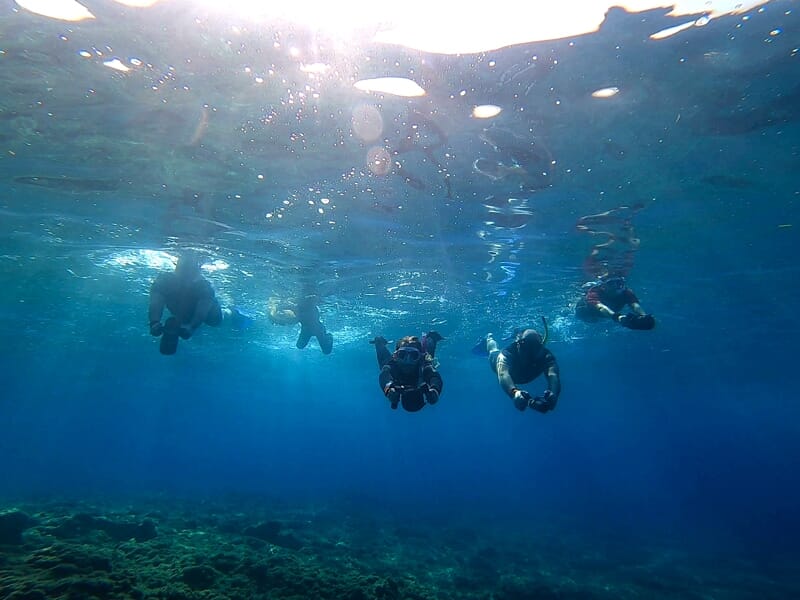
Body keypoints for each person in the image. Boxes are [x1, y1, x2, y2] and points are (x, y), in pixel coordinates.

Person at [148, 252, 222, 354]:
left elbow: (202, 310)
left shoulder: (203, 287)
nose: (186, 273)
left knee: (214, 321)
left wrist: (154, 322)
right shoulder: (165, 281)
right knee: (208, 321)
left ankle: (228, 312)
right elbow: (156, 302)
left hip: (208, 314)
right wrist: (154, 322)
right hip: (189, 312)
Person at [481, 325, 561, 413]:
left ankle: (514, 333)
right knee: (493, 351)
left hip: (519, 375)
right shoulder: (506, 355)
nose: (530, 351)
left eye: (535, 347)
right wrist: (514, 392)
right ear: (518, 345)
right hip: (499, 366)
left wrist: (553, 393)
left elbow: (553, 375)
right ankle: (489, 338)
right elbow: (503, 374)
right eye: (527, 346)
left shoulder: (546, 356)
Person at [369, 333, 444, 412]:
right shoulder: (423, 366)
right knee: (428, 357)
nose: (407, 360)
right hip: (422, 360)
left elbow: (384, 375)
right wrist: (435, 390)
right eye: (402, 355)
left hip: (396, 363)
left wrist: (388, 390)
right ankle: (431, 338)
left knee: (384, 363)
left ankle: (379, 341)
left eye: (413, 355)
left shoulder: (392, 366)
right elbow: (434, 376)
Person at [575, 276, 655, 330]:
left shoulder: (626, 292)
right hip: (585, 312)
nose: (616, 286)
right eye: (611, 283)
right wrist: (618, 317)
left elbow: (634, 305)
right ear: (603, 286)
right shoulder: (595, 291)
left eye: (619, 283)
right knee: (590, 320)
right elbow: (601, 307)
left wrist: (643, 315)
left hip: (605, 313)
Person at [268, 295, 333, 355]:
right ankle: (328, 337)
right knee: (300, 346)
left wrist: (276, 310)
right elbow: (289, 312)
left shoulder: (299, 310)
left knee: (325, 350)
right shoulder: (299, 309)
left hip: (316, 328)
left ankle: (329, 337)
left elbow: (289, 313)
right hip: (309, 329)